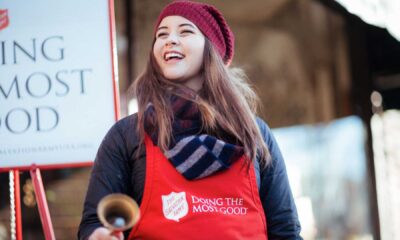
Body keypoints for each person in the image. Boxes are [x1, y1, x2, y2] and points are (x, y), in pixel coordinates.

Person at [78, 1, 302, 239]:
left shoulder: (254, 133)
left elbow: (285, 230)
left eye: (185, 31)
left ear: (211, 49)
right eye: (161, 35)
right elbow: (92, 224)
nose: (169, 39)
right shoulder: (127, 134)